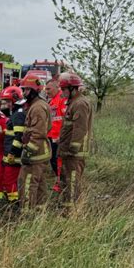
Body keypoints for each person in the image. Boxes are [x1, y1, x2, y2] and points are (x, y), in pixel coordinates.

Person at [58, 72, 93, 210]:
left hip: (74, 152)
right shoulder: (74, 102)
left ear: (73, 88)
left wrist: (72, 148)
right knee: (68, 179)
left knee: (72, 180)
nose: (62, 92)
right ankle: (68, 207)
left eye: (64, 89)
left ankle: (71, 211)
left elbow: (80, 128)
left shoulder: (80, 104)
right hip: (69, 151)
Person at [18, 75, 52, 210]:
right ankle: (39, 212)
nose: (24, 93)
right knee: (40, 185)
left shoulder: (37, 108)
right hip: (41, 152)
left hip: (35, 154)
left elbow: (38, 133)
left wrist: (28, 152)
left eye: (26, 90)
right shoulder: (38, 105)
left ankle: (27, 213)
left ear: (33, 90)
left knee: (27, 183)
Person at [0, 86, 26, 203]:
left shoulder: (18, 114)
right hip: (12, 155)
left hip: (14, 157)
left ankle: (14, 207)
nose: (7, 104)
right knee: (9, 181)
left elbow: (19, 136)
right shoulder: (16, 112)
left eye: (9, 101)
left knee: (10, 182)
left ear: (15, 99)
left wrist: (12, 153)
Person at [46, 78, 67, 192]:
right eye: (46, 89)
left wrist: (62, 136)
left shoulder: (61, 99)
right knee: (53, 160)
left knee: (58, 160)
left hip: (58, 138)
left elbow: (66, 119)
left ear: (56, 87)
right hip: (51, 136)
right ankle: (58, 181)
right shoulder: (51, 100)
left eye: (49, 89)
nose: (46, 91)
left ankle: (60, 183)